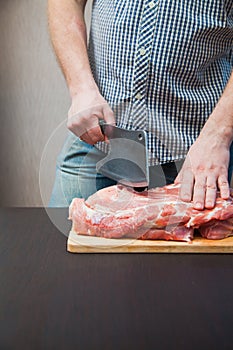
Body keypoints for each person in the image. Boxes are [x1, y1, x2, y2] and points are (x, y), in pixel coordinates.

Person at [48, 0, 233, 209]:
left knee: (180, 241)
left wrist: (218, 136)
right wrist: (81, 88)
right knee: (61, 239)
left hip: (193, 154)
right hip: (95, 140)